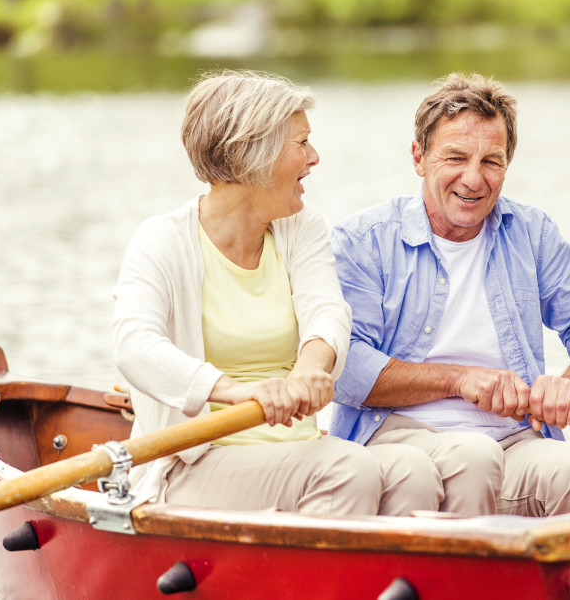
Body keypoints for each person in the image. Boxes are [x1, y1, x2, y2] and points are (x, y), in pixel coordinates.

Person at [112, 70, 442, 516]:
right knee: (346, 468)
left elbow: (326, 311)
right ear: (254, 155)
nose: (315, 157)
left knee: (413, 469)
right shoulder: (162, 240)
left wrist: (310, 370)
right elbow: (135, 346)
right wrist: (233, 392)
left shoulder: (300, 227)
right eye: (301, 143)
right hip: (193, 463)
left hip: (298, 449)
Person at [330, 72, 570, 517]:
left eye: (491, 162)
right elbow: (345, 369)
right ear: (419, 157)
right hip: (396, 436)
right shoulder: (363, 240)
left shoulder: (532, 232)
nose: (473, 179)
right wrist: (459, 379)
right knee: (473, 457)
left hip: (514, 437)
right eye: (455, 157)